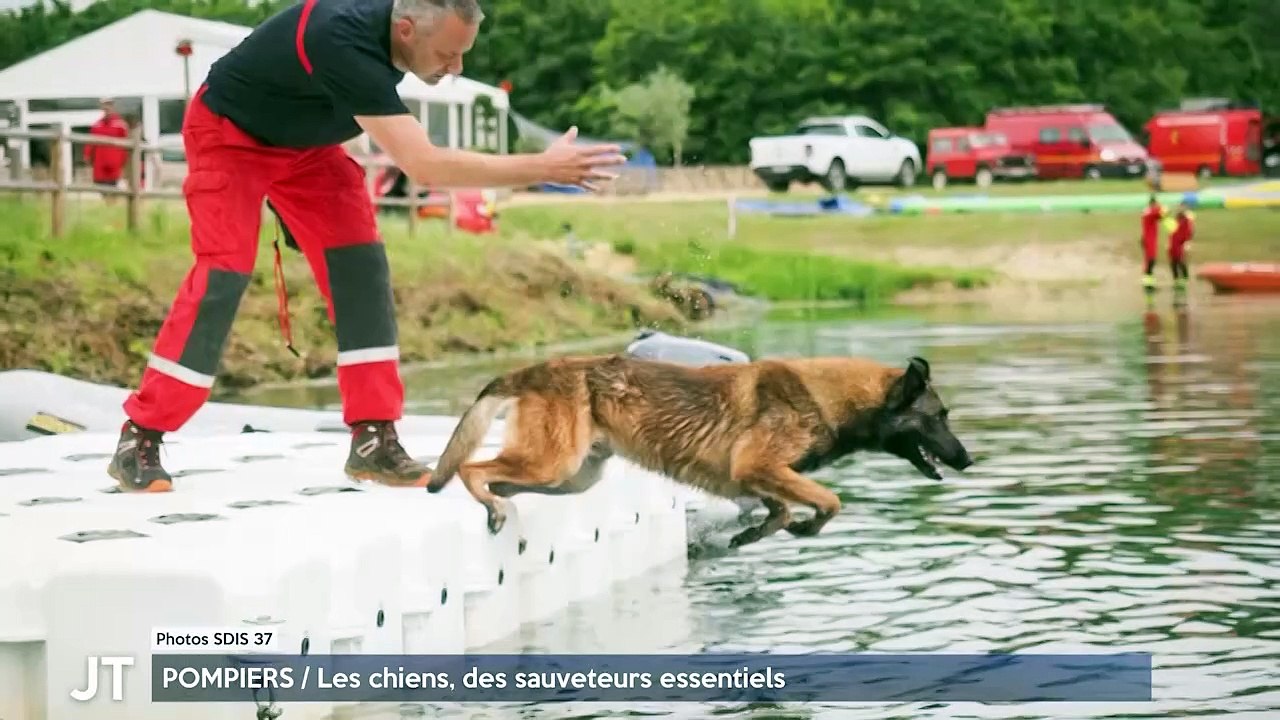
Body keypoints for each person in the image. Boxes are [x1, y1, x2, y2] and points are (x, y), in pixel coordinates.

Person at [107, 0, 626, 493]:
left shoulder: (401, 27)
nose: (455, 66)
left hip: (307, 150)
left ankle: (374, 439)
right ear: (405, 31)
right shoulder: (343, 40)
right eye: (447, 54)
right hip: (231, 137)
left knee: (362, 267)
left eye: (463, 53)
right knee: (225, 272)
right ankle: (141, 436)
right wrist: (543, 167)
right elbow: (426, 166)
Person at [84, 99, 130, 198]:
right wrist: (87, 156)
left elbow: (126, 146)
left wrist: (124, 163)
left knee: (113, 192)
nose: (107, 108)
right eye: (104, 105)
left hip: (114, 166)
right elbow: (90, 143)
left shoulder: (120, 125)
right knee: (101, 190)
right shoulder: (97, 125)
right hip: (100, 166)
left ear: (113, 107)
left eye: (109, 105)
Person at [1168, 201, 1195, 289]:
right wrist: (1168, 243)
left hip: (1181, 243)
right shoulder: (1175, 219)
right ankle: (1176, 280)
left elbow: (1189, 232)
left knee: (1181, 261)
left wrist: (1188, 242)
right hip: (1173, 243)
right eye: (1180, 207)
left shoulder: (1187, 220)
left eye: (1182, 207)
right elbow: (1171, 232)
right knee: (1173, 262)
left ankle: (1185, 279)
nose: (1180, 209)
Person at [1139, 194, 1165, 290]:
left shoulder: (1147, 211)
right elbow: (1162, 214)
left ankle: (1148, 282)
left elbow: (1159, 216)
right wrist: (1161, 207)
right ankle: (1148, 283)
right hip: (1150, 239)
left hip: (1147, 237)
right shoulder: (1151, 211)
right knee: (1151, 260)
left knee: (1148, 260)